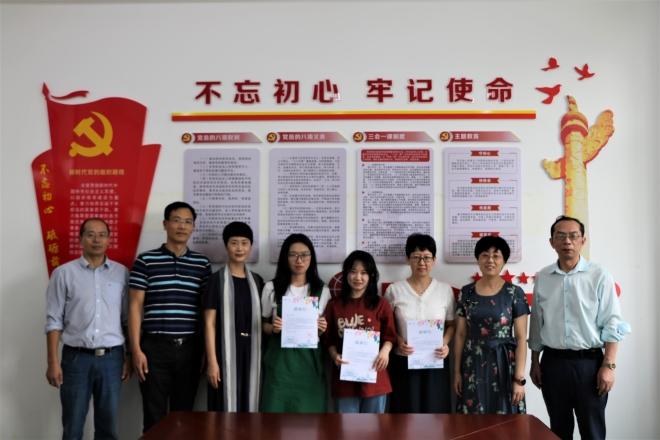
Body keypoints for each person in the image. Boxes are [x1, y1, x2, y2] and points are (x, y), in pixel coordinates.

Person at [529, 215, 630, 439]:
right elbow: (537, 321)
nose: (567, 241)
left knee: (592, 432)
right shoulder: (543, 277)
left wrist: (609, 366)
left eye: (573, 236)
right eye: (561, 236)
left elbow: (612, 322)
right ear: (552, 242)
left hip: (590, 365)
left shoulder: (599, 275)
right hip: (553, 364)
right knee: (558, 430)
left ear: (583, 240)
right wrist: (534, 361)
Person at [128, 201, 211, 432]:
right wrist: (135, 350)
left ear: (193, 227)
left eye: (188, 222)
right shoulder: (146, 261)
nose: (182, 226)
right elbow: (135, 306)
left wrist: (205, 350)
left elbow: (206, 311)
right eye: (176, 220)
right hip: (154, 349)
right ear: (165, 224)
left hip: (190, 350)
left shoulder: (202, 264)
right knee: (154, 417)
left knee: (184, 418)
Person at [45, 218, 131, 440]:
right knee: (73, 426)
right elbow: (54, 320)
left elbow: (126, 319)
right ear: (81, 239)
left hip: (112, 359)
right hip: (76, 360)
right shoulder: (63, 273)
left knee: (108, 428)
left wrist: (128, 356)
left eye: (102, 235)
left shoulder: (122, 273)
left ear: (109, 240)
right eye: (90, 234)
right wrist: (53, 362)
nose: (96, 240)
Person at [453, 235, 529, 414]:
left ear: (504, 261)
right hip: (473, 362)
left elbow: (520, 338)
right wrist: (457, 372)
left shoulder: (514, 292)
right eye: (485, 255)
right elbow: (461, 334)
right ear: (478, 259)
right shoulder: (466, 292)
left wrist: (519, 379)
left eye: (496, 256)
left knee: (505, 415)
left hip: (503, 362)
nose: (490, 260)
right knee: (472, 417)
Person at [384, 233, 456, 413]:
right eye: (416, 257)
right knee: (406, 412)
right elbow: (386, 326)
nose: (422, 262)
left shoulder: (444, 290)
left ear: (434, 260)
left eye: (427, 257)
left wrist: (445, 342)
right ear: (408, 259)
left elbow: (451, 324)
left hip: (435, 360)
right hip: (404, 360)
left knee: (436, 412)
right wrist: (398, 340)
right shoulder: (394, 290)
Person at [260, 233, 331, 412]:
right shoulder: (271, 288)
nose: (299, 260)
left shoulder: (322, 290)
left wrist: (322, 329)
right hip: (279, 366)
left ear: (311, 258)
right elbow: (262, 325)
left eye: (304, 254)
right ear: (285, 258)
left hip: (309, 366)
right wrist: (273, 328)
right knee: (274, 419)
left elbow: (323, 333)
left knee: (309, 420)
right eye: (293, 255)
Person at [324, 250, 397, 413]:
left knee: (373, 427)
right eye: (353, 271)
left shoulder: (381, 304)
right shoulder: (334, 305)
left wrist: (385, 351)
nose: (358, 277)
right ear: (346, 274)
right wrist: (334, 355)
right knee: (347, 427)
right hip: (344, 380)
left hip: (375, 377)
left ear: (371, 276)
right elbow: (329, 339)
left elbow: (390, 335)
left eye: (364, 273)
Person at [203, 222, 264, 412]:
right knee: (223, 407)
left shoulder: (258, 281)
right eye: (234, 243)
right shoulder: (215, 280)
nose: (239, 248)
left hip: (252, 353)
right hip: (224, 353)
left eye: (244, 243)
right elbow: (209, 324)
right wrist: (212, 362)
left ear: (250, 246)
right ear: (226, 246)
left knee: (250, 403)